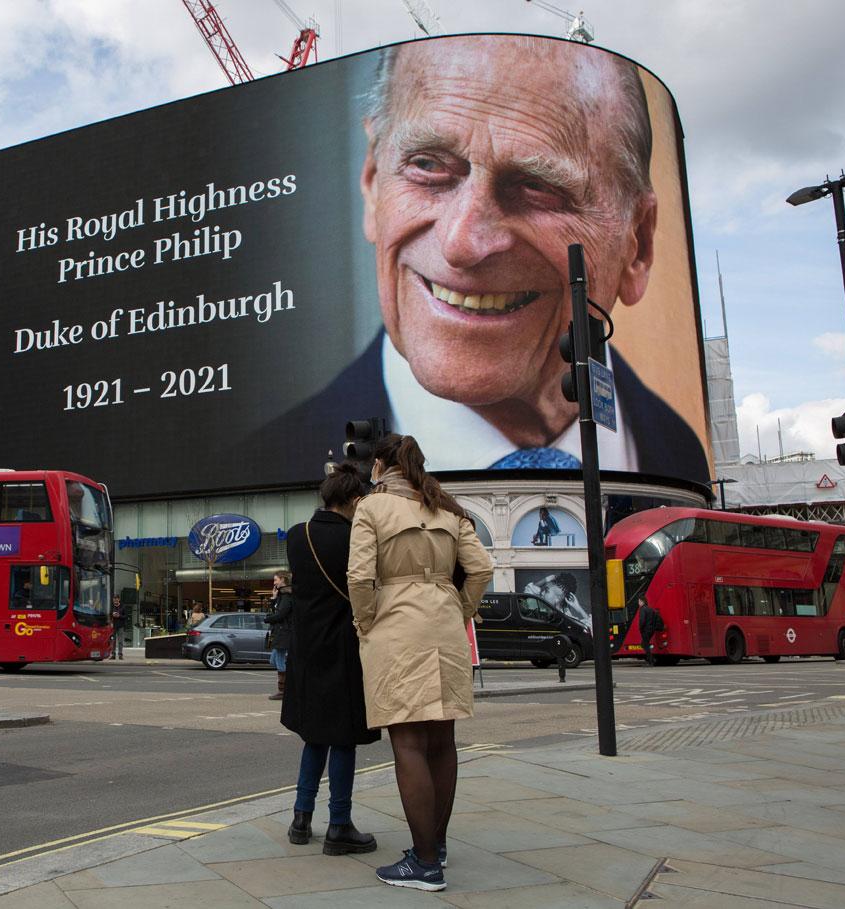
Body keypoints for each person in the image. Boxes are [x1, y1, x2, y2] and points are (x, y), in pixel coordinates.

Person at [266, 36, 707, 483]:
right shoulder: (270, 459)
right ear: (373, 183)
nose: (461, 243)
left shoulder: (685, 457)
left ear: (639, 243)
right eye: (428, 165)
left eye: (537, 186)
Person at [348, 433, 492, 891]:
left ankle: (424, 863)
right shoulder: (447, 507)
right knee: (442, 740)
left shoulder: (372, 507)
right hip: (445, 624)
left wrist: (366, 621)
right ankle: (437, 846)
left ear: (380, 465)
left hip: (397, 623)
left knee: (407, 741)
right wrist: (462, 609)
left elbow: (359, 575)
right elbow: (482, 568)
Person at [281, 463, 380, 856]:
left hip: (306, 651)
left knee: (314, 737)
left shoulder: (295, 536)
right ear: (354, 500)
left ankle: (300, 819)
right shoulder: (358, 538)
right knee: (343, 740)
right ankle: (339, 824)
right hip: (344, 648)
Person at [523, 572, 589, 632]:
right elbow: (528, 593)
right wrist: (546, 579)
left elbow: (590, 630)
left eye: (546, 591)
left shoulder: (568, 620)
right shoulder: (539, 610)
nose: (542, 592)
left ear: (557, 599)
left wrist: (579, 609)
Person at [264, 571, 294, 700]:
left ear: (282, 580)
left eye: (276, 580)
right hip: (280, 632)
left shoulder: (287, 596)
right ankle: (288, 687)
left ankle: (283, 691)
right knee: (274, 660)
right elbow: (276, 610)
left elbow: (281, 614)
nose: (274, 582)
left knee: (280, 660)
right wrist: (274, 598)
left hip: (284, 633)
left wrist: (268, 619)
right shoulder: (281, 595)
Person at [637, 595, 665, 665]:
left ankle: (651, 660)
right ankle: (650, 659)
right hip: (651, 630)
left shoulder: (643, 609)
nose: (638, 603)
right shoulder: (650, 609)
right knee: (644, 644)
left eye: (639, 601)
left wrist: (640, 627)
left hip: (646, 630)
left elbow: (642, 620)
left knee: (644, 644)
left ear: (642, 602)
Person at [110, 594, 126, 660]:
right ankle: (113, 655)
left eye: (117, 599)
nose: (115, 600)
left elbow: (125, 616)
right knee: (113, 641)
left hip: (120, 626)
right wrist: (112, 615)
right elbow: (108, 615)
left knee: (120, 641)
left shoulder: (123, 607)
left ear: (119, 599)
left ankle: (120, 655)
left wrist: (119, 616)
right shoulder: (111, 607)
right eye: (114, 599)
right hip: (113, 626)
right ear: (113, 600)